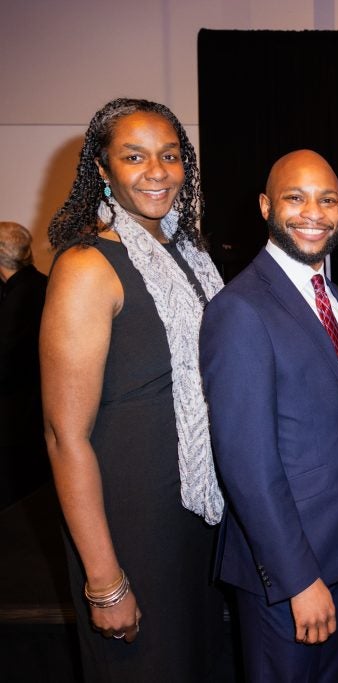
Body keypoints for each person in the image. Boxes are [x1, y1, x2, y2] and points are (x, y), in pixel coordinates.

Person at [39, 98, 226, 681]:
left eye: (169, 156)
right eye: (134, 156)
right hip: (131, 524)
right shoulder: (86, 266)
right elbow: (64, 435)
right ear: (102, 167)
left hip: (196, 517)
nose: (157, 171)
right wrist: (103, 578)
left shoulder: (190, 257)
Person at [199, 149, 338, 681]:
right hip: (285, 572)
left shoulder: (335, 297)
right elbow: (247, 463)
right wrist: (297, 580)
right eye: (295, 197)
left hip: (336, 554)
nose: (312, 212)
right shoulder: (240, 309)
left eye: (327, 199)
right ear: (267, 205)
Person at [0, 221, 49, 507]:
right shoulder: (41, 283)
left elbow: (6, 361)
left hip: (18, 416)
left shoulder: (20, 296)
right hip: (33, 412)